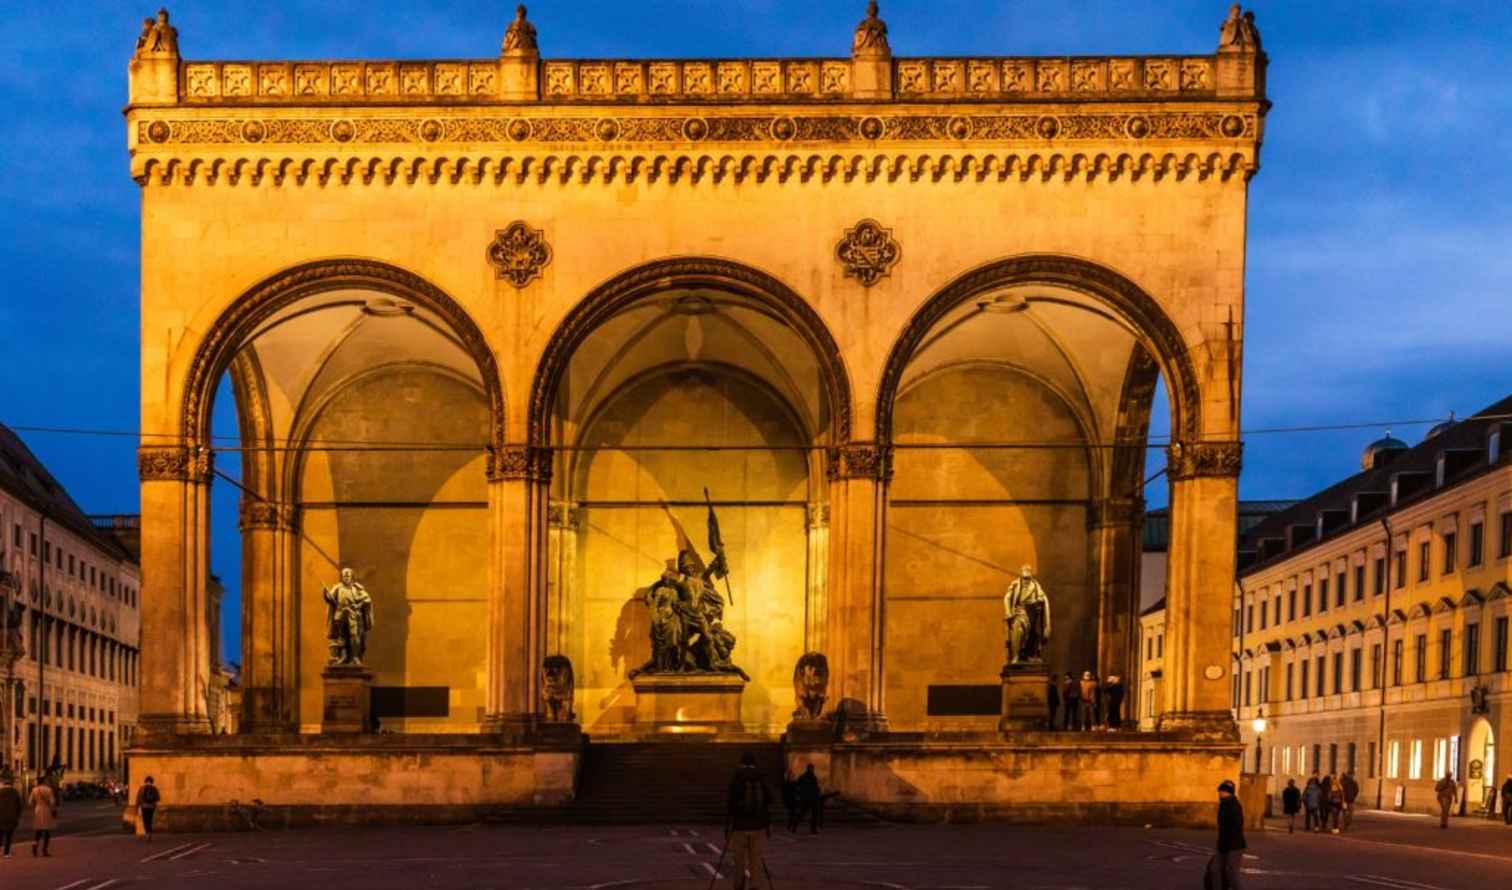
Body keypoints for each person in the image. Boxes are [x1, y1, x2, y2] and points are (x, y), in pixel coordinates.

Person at [725, 752, 771, 890]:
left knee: (739, 861)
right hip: (758, 826)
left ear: (742, 762)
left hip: (739, 826)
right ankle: (755, 885)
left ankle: (738, 885)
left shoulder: (737, 776)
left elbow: (730, 803)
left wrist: (728, 825)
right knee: (756, 861)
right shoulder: (760, 776)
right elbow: (770, 799)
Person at [1205, 779, 1246, 890]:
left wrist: (1227, 843)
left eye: (1222, 791)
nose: (1220, 793)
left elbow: (1237, 826)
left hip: (1234, 846)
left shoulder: (1234, 806)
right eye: (1220, 790)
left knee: (1231, 873)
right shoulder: (1224, 804)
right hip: (1223, 844)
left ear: (1229, 792)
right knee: (1215, 869)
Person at [29, 778, 58, 857]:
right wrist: (53, 809)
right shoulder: (49, 790)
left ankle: (35, 845)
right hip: (46, 810)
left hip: (38, 810)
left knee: (38, 831)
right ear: (44, 782)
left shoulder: (34, 790)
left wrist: (35, 806)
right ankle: (44, 850)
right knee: (47, 831)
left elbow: (30, 802)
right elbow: (52, 802)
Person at [793, 764, 822, 835]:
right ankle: (795, 826)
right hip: (809, 798)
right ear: (809, 768)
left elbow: (797, 785)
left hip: (811, 798)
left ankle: (812, 829)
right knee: (804, 813)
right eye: (811, 768)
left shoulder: (807, 777)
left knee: (810, 814)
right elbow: (797, 786)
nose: (812, 769)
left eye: (812, 768)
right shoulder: (807, 777)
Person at [0, 775, 22, 858]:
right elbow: (19, 806)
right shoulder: (15, 792)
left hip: (1, 817)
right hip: (12, 817)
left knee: (0, 835)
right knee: (9, 836)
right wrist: (17, 816)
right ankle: (6, 853)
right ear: (11, 784)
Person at [137, 777, 161, 841]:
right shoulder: (154, 788)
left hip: (144, 806)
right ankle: (149, 833)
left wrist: (137, 806)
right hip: (152, 807)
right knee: (150, 820)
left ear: (145, 781)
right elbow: (158, 798)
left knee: (145, 820)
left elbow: (138, 798)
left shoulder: (142, 788)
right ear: (152, 781)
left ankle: (147, 833)